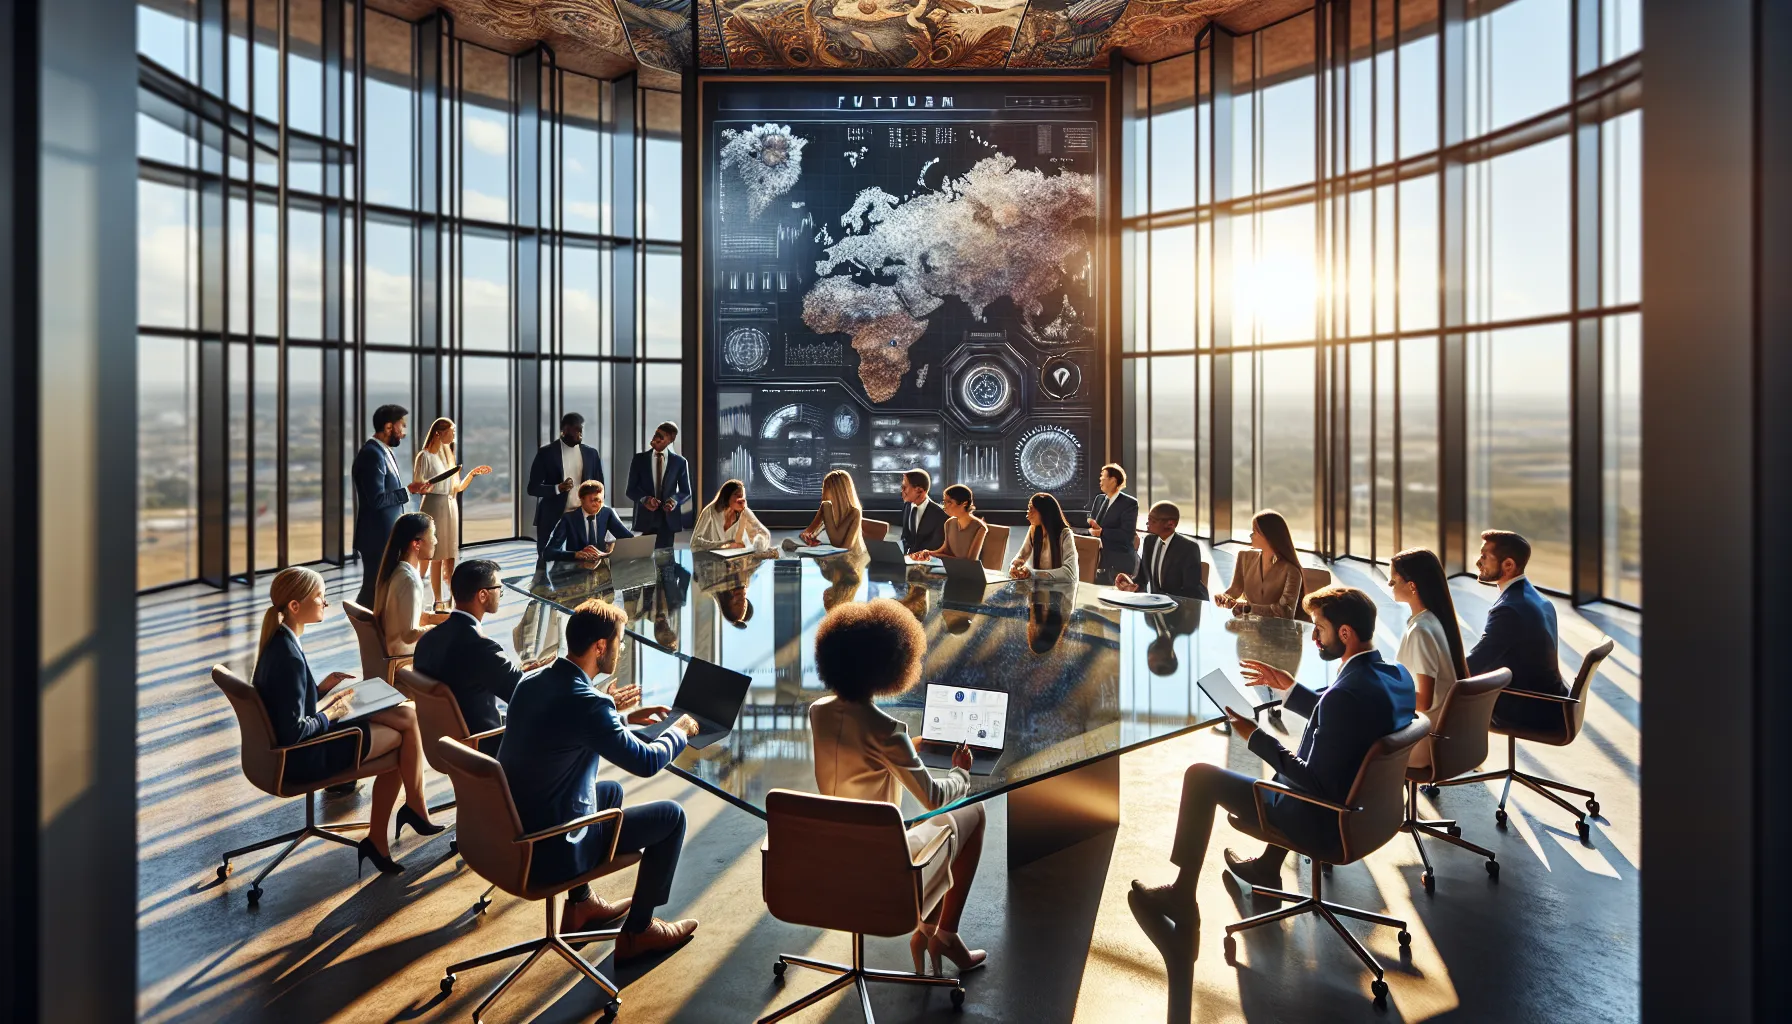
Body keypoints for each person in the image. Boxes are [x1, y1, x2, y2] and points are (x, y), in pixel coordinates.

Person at [1131, 586, 1416, 924]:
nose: (1315, 640)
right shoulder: (1396, 677)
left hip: (1324, 818)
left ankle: (1180, 895)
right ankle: (1267, 869)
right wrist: (1290, 689)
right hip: (1372, 813)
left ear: (1345, 633)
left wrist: (1255, 737)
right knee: (1290, 766)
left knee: (1201, 776)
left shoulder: (1346, 693)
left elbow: (1312, 779)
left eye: (1320, 630)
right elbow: (1348, 719)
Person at [498, 599, 701, 960]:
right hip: (550, 846)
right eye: (620, 642)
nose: (621, 650)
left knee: (610, 791)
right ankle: (640, 932)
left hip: (512, 826)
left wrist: (621, 719)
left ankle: (581, 905)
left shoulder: (532, 681)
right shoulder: (589, 704)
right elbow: (646, 761)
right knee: (672, 818)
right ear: (600, 647)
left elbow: (566, 729)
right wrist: (680, 731)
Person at [809, 599, 988, 977]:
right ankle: (942, 934)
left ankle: (931, 933)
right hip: (883, 871)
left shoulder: (819, 711)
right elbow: (934, 797)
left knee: (940, 826)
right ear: (889, 667)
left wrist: (913, 746)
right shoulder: (888, 732)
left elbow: (858, 747)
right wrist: (962, 773)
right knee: (971, 810)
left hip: (830, 859)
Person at [253, 567, 443, 876]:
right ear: (295, 607)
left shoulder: (280, 643)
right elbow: (293, 733)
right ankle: (397, 823)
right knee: (401, 746)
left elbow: (288, 704)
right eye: (320, 597)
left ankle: (408, 813)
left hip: (310, 740)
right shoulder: (287, 656)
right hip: (308, 755)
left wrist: (322, 690)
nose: (325, 603)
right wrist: (331, 712)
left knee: (407, 714)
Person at [411, 559, 554, 754]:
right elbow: (523, 695)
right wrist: (552, 675)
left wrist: (519, 672)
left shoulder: (427, 640)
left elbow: (470, 677)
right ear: (483, 595)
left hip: (444, 745)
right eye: (498, 588)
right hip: (484, 745)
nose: (501, 594)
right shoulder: (481, 647)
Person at [1467, 530, 1568, 732]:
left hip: (1528, 708)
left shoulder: (1509, 609)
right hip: (1554, 702)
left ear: (1508, 565)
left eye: (1485, 557)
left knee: (1443, 694)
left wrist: (1438, 674)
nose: (1478, 563)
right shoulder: (1536, 598)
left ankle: (1447, 760)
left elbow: (1474, 665)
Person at [1389, 548, 1468, 769]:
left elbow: (1423, 701)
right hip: (1442, 734)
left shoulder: (1421, 631)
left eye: (1393, 580)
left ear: (1412, 586)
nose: (1389, 585)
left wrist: (1382, 691)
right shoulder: (1434, 619)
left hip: (1423, 742)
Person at [353, 404, 428, 609]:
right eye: (401, 426)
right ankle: (365, 628)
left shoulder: (383, 452)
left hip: (384, 536)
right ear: (388, 427)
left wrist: (410, 489)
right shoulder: (372, 454)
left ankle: (374, 629)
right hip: (376, 538)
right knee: (373, 589)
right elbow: (376, 500)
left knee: (379, 588)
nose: (403, 433)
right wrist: (408, 492)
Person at [412, 417, 492, 606]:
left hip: (450, 505)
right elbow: (418, 485)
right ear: (439, 433)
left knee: (449, 554)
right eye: (452, 431)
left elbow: (456, 487)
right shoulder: (424, 456)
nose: (454, 435)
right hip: (434, 505)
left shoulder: (448, 456)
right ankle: (437, 600)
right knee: (436, 555)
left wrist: (472, 474)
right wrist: (424, 487)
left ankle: (449, 598)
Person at [374, 512, 450, 658]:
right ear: (416, 543)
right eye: (432, 535)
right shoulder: (409, 580)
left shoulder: (398, 570)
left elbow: (411, 616)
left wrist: (447, 619)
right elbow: (409, 634)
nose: (435, 541)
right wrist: (437, 628)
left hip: (396, 648)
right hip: (405, 655)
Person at [528, 413, 605, 555]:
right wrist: (557, 488)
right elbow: (532, 488)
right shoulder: (546, 453)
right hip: (552, 516)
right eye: (577, 429)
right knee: (545, 559)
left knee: (583, 560)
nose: (581, 433)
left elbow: (599, 486)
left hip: (582, 516)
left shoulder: (591, 454)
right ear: (565, 429)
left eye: (582, 429)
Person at [1215, 509, 1304, 618]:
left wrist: (1249, 608)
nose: (1251, 535)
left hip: (1276, 631)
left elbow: (1284, 611)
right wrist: (1225, 597)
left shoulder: (1291, 571)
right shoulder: (1244, 557)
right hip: (1247, 628)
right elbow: (1235, 589)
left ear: (1269, 535)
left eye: (1255, 531)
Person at [1115, 502, 1209, 600]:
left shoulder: (1189, 548)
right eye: (1148, 520)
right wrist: (1129, 583)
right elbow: (1142, 578)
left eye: (1153, 521)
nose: (1148, 524)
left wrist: (1161, 601)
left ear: (1170, 524)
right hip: (1154, 607)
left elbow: (1190, 590)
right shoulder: (1149, 541)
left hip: (1180, 608)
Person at [626, 421, 692, 550]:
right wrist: (645, 499)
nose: (655, 438)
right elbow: (631, 490)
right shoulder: (639, 459)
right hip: (645, 519)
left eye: (661, 437)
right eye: (656, 434)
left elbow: (685, 491)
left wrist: (673, 501)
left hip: (668, 520)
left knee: (666, 560)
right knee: (644, 561)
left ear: (670, 440)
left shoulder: (679, 462)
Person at [544, 480, 635, 563]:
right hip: (576, 569)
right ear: (582, 499)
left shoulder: (606, 514)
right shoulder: (569, 519)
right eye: (593, 500)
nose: (597, 504)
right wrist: (575, 555)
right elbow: (549, 553)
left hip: (601, 567)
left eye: (600, 500)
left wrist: (608, 553)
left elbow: (628, 540)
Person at [1088, 463, 1140, 585]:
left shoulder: (1129, 503)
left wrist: (1102, 532)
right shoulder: (1099, 499)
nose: (1100, 480)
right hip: (1097, 561)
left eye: (1103, 477)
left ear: (1113, 480)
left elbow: (1126, 535)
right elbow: (1093, 523)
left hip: (1118, 562)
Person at [1009, 492, 1079, 583]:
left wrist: (1033, 574)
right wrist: (1014, 565)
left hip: (1060, 591)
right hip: (1038, 590)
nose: (1027, 514)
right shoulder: (1034, 531)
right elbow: (1021, 556)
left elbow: (1070, 573)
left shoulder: (1065, 534)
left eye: (1031, 509)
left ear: (1043, 512)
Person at [908, 484, 987, 563]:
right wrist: (928, 553)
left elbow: (970, 561)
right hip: (951, 567)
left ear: (965, 503)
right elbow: (945, 550)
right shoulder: (949, 523)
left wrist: (937, 555)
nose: (944, 506)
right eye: (944, 502)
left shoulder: (980, 527)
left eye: (949, 502)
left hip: (968, 572)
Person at [793, 469, 866, 553]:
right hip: (824, 555)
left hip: (847, 560)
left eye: (826, 488)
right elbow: (807, 532)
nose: (823, 492)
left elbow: (843, 547)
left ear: (838, 492)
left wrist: (826, 510)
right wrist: (807, 538)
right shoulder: (826, 508)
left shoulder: (854, 513)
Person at [691, 478, 771, 552]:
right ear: (727, 496)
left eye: (742, 496)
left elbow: (759, 532)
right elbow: (695, 542)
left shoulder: (743, 514)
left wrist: (760, 543)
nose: (741, 499)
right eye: (737, 495)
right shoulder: (709, 512)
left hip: (732, 562)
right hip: (707, 560)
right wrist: (723, 544)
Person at [899, 469, 947, 555]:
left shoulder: (940, 515)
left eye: (904, 487)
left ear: (919, 490)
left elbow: (936, 546)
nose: (902, 491)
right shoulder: (907, 506)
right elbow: (905, 537)